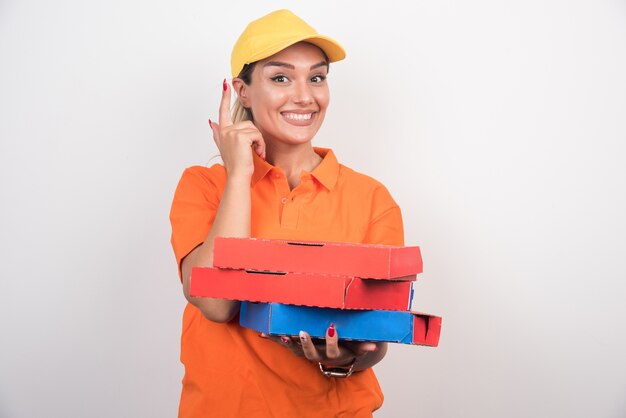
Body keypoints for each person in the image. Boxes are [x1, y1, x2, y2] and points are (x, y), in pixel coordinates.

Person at [169, 9, 404, 417]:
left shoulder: (372, 198)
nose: (304, 95)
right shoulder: (204, 185)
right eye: (280, 77)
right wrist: (239, 174)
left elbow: (375, 340)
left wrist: (344, 358)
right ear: (242, 91)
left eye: (317, 77)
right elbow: (217, 304)